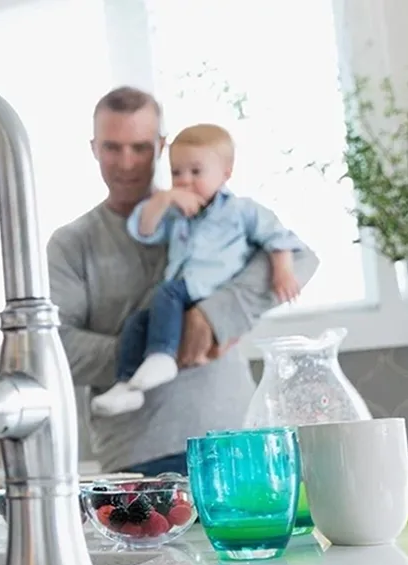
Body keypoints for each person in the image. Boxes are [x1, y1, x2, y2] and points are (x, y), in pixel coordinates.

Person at [47, 86, 319, 476]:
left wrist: (213, 316)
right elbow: (58, 349)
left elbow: (298, 256)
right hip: (138, 450)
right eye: (112, 147)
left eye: (139, 147)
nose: (126, 162)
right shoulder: (71, 243)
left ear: (160, 147)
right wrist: (163, 348)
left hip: (233, 430)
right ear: (93, 148)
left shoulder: (210, 211)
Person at [90, 123, 307, 417]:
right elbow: (144, 229)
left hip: (207, 288)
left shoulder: (241, 210)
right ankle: (127, 386)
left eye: (196, 172)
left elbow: (278, 238)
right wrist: (165, 198)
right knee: (137, 323)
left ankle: (162, 356)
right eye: (176, 173)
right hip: (181, 294)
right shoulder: (179, 215)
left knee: (164, 293)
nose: (184, 181)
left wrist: (283, 271)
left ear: (225, 173)